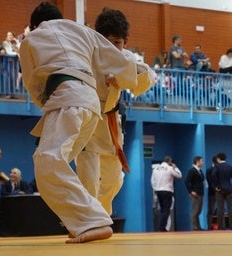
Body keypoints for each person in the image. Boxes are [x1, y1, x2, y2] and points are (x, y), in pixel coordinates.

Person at [19, 2, 139, 243]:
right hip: (93, 106)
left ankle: (93, 221)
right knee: (57, 164)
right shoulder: (81, 31)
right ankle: (84, 222)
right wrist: (125, 79)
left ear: (34, 25)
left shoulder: (31, 39)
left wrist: (46, 105)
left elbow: (33, 84)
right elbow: (118, 59)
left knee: (48, 162)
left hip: (67, 99)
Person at [75, 7, 156, 216]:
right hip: (87, 118)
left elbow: (149, 77)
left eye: (117, 43)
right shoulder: (87, 56)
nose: (112, 48)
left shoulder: (126, 59)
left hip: (110, 122)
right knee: (88, 178)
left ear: (126, 42)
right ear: (98, 39)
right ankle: (86, 222)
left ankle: (100, 216)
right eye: (107, 42)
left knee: (113, 181)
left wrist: (123, 77)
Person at [151, 156, 182, 231]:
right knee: (166, 210)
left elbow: (152, 181)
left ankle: (162, 226)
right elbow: (179, 176)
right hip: (167, 191)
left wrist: (156, 189)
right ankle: (162, 227)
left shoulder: (156, 169)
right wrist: (175, 168)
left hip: (158, 191)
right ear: (169, 161)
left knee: (162, 209)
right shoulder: (170, 168)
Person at [214, 152, 232, 230]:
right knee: (230, 208)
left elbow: (213, 176)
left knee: (220, 208)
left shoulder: (217, 166)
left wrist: (217, 186)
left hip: (220, 190)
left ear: (218, 158)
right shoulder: (230, 166)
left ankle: (221, 226)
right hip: (229, 189)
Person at [184, 156, 205, 231]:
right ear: (197, 162)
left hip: (200, 193)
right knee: (195, 211)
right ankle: (194, 227)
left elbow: (202, 179)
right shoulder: (192, 171)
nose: (203, 162)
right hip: (195, 193)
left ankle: (198, 226)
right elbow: (186, 181)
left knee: (199, 211)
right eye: (201, 161)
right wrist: (191, 191)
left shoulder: (200, 171)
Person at [206, 156, 217, 230]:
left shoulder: (219, 169)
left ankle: (222, 225)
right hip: (212, 192)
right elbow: (209, 181)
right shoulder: (209, 170)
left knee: (221, 209)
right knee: (211, 209)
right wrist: (215, 188)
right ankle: (209, 226)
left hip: (220, 192)